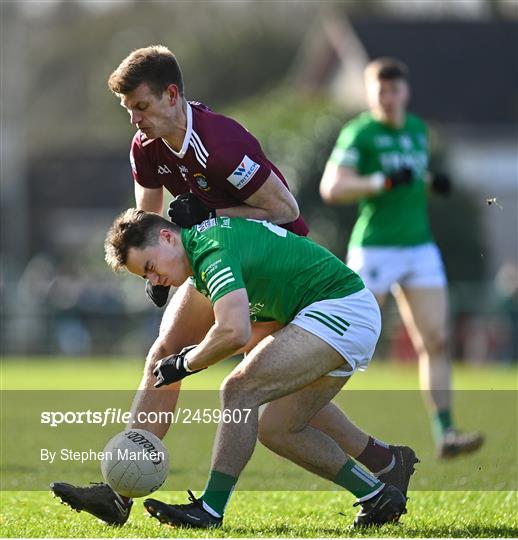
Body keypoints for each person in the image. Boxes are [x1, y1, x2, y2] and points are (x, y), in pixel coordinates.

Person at [50, 46, 416, 526]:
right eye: (129, 112)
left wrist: (211, 214)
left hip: (275, 267)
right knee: (169, 357)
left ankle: (380, 466)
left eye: (141, 106)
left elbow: (285, 211)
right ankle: (121, 493)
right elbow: (148, 219)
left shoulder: (221, 142)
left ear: (172, 95)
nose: (135, 121)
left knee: (258, 387)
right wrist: (155, 271)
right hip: (212, 254)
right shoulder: (145, 146)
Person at [103, 208, 418, 528]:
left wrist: (185, 363)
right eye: (146, 277)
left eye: (150, 267)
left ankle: (210, 511)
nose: (155, 281)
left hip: (341, 309)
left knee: (239, 389)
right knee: (277, 429)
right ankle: (376, 495)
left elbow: (233, 331)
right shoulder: (203, 251)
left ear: (168, 237)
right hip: (336, 314)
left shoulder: (210, 248)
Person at [319, 57, 484, 459]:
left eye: (395, 90)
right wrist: (383, 181)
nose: (389, 98)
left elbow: (409, 182)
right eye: (381, 91)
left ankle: (446, 432)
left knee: (437, 339)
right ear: (371, 93)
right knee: (348, 341)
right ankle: (307, 409)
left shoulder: (416, 131)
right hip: (374, 247)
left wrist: (429, 183)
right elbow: (332, 188)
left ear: (406, 92)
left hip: (419, 247)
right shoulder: (361, 133)